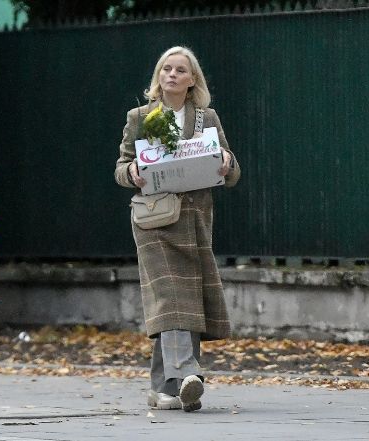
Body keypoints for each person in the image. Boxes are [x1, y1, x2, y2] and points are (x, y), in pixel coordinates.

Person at [114, 46, 241, 412]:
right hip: (154, 220)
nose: (171, 74)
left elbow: (231, 171)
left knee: (187, 301)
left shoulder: (207, 119)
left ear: (191, 80)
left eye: (179, 70)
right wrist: (132, 172)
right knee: (171, 297)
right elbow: (121, 167)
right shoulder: (140, 117)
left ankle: (165, 389)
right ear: (158, 77)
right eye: (166, 69)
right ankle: (189, 375)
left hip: (195, 221)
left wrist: (227, 162)